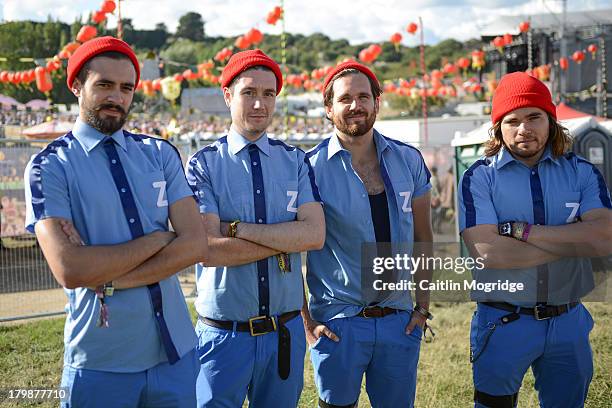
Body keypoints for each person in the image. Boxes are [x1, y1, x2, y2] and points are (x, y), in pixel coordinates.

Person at [24, 36, 207, 407]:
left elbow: (196, 244)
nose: (117, 97)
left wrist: (108, 277)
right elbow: (71, 268)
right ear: (76, 86)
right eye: (104, 85)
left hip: (177, 352)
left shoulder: (159, 153)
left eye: (126, 87)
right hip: (101, 359)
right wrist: (160, 238)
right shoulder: (49, 166)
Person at [458, 72, 612, 408]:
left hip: (567, 320)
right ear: (498, 127)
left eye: (533, 117)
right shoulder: (478, 177)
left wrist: (524, 232)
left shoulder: (583, 172)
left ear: (551, 120)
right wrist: (573, 240)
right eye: (512, 120)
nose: (523, 128)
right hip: (503, 321)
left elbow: (603, 240)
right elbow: (489, 253)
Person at [185, 49, 325, 408]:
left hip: (284, 332)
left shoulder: (295, 160)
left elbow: (314, 235)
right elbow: (210, 250)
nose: (259, 104)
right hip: (223, 336)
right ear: (228, 95)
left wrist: (237, 229)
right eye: (249, 92)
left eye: (268, 94)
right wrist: (285, 239)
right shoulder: (203, 164)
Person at [303, 61, 434, 408]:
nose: (355, 106)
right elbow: (289, 252)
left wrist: (422, 309)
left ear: (377, 101)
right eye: (345, 99)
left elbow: (424, 237)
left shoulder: (409, 159)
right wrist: (306, 323)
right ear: (329, 108)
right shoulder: (309, 168)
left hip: (399, 321)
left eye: (364, 96)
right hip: (338, 323)